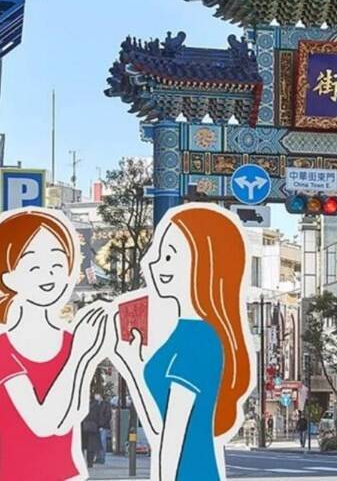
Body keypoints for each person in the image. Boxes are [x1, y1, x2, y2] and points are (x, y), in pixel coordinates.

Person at [111, 204, 254, 481]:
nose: (153, 263)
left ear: (204, 261)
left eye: (168, 256)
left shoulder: (197, 339)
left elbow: (172, 437)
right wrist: (132, 363)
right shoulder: (186, 332)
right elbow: (159, 425)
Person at [0, 208, 110, 481]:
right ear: (9, 278)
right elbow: (42, 423)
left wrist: (82, 352)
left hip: (69, 475)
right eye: (34, 267)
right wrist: (80, 355)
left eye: (57, 265)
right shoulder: (0, 349)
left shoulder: (71, 342)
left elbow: (75, 413)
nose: (48, 275)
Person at [82, 393, 102, 468]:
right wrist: (98, 425)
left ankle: (81, 462)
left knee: (82, 446)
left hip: (83, 428)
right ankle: (90, 463)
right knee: (91, 447)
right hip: (93, 428)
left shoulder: (81, 405)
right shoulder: (96, 405)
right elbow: (99, 416)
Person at [96, 395, 112, 464]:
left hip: (103, 426)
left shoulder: (106, 404)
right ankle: (98, 457)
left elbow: (108, 416)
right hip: (96, 426)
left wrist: (101, 424)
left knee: (102, 442)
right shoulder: (96, 404)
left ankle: (102, 458)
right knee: (97, 442)